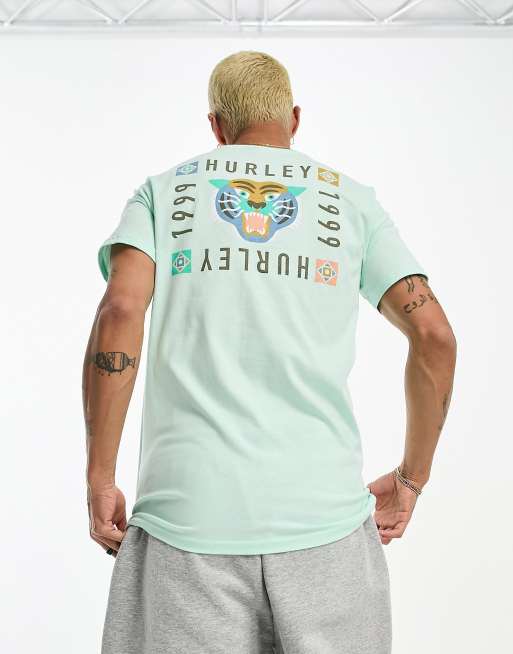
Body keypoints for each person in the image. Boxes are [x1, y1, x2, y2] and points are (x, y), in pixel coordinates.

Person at [82, 50, 457, 654]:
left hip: (188, 520)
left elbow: (119, 313)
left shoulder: (161, 194)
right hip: (325, 524)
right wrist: (413, 477)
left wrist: (100, 477)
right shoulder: (352, 202)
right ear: (294, 119)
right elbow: (434, 334)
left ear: (215, 126)